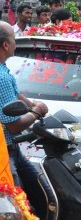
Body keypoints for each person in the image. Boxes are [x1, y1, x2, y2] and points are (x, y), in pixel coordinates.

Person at [0, 24, 49, 189]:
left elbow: (13, 95)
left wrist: (31, 104)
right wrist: (37, 111)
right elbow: (14, 126)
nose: (15, 43)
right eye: (13, 39)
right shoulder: (1, 77)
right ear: (6, 45)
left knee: (38, 190)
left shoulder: (3, 72)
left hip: (12, 150)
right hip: (4, 153)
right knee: (17, 203)